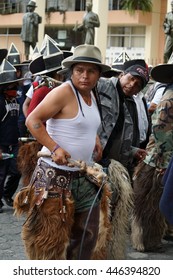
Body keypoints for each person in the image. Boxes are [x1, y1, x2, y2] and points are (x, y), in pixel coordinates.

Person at [14, 44, 112, 260]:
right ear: (72, 71)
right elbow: (33, 120)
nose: (84, 76)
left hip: (84, 176)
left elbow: (84, 123)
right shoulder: (64, 92)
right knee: (50, 244)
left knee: (88, 236)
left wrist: (94, 138)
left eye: (91, 71)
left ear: (99, 74)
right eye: (79, 70)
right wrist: (54, 147)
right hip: (54, 178)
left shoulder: (91, 94)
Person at [131, 62, 173, 252]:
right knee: (151, 205)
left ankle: (149, 239)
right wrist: (162, 158)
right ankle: (146, 241)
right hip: (161, 159)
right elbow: (159, 130)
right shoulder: (169, 99)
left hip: (161, 157)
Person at [97, 59, 149, 180]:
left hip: (102, 163)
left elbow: (115, 138)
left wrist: (132, 151)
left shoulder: (126, 108)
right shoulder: (102, 85)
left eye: (137, 85)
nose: (132, 85)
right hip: (82, 156)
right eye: (131, 78)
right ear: (122, 74)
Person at [0, 59, 25, 213]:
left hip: (14, 142)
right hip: (2, 144)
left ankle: (7, 194)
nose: (15, 89)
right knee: (1, 174)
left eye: (16, 86)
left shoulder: (15, 100)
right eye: (11, 87)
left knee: (17, 170)